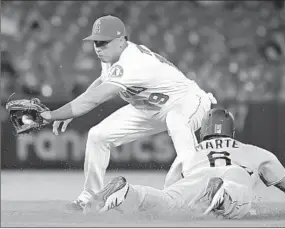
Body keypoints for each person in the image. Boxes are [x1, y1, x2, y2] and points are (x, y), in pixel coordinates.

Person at [40, 15, 217, 210]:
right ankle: (89, 197)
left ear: (122, 41)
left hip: (187, 101)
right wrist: (72, 111)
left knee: (177, 122)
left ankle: (203, 189)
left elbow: (97, 97)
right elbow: (101, 82)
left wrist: (53, 114)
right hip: (148, 108)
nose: (98, 47)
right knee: (98, 136)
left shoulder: (132, 61)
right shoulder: (110, 58)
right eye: (96, 42)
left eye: (104, 42)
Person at [83, 108, 285, 219]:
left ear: (204, 131)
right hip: (234, 175)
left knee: (167, 202)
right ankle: (223, 195)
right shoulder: (255, 151)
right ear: (231, 131)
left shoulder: (188, 153)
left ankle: (127, 192)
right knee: (238, 199)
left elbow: (170, 194)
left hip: (197, 176)